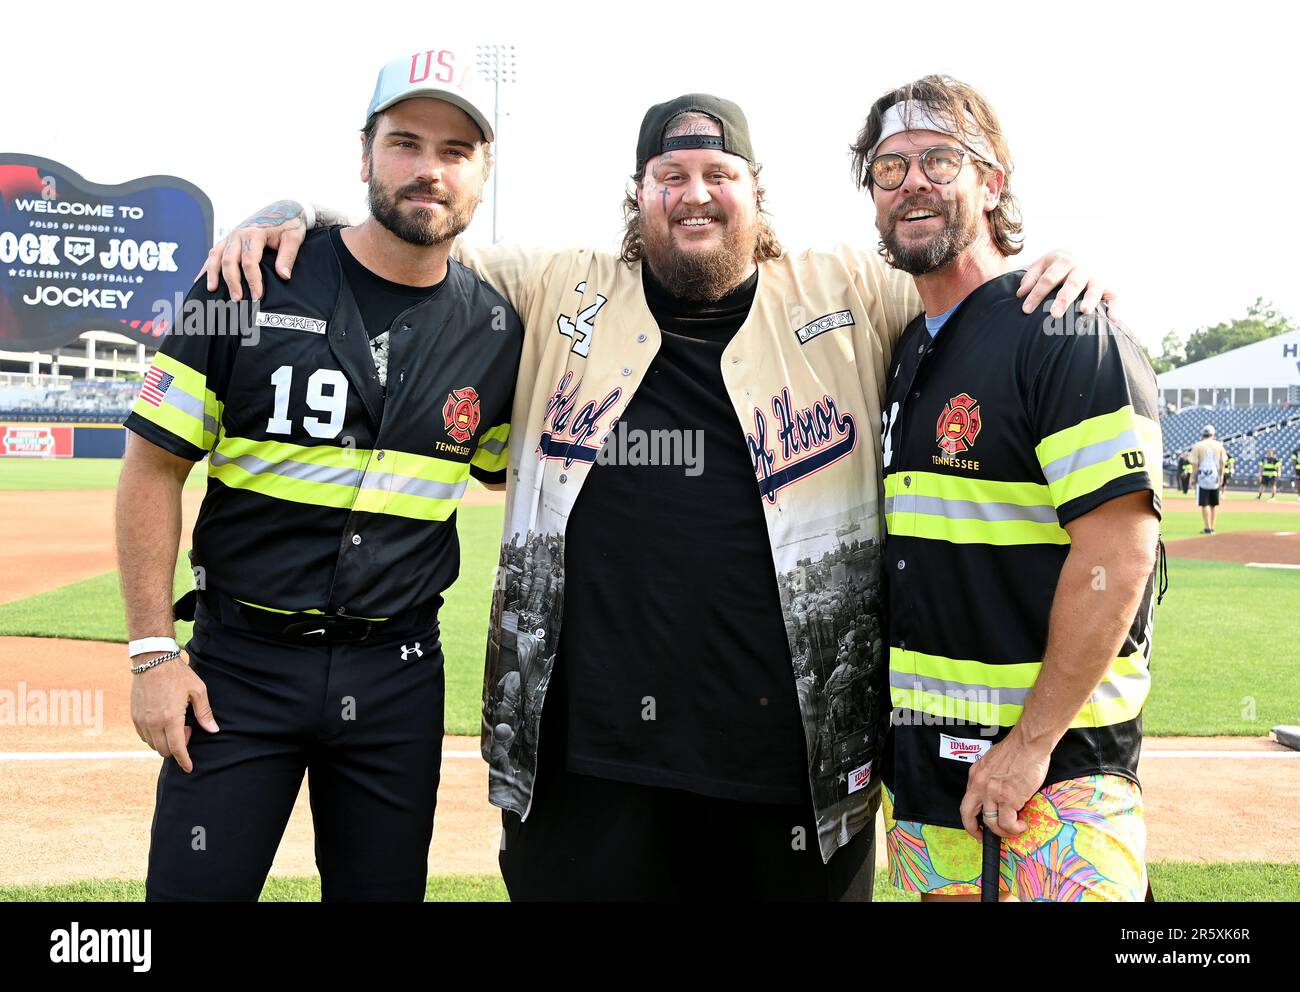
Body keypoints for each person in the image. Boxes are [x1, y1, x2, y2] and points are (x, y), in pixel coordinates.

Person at [203, 93, 1113, 901]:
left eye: (718, 173)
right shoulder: (561, 283)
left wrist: (1067, 280)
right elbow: (416, 227)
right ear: (638, 194)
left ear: (756, 191)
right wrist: (291, 213)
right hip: (582, 767)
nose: (694, 193)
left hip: (792, 768)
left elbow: (956, 260)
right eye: (669, 174)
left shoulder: (846, 289)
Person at [117, 49, 522, 901]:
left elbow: (508, 474)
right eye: (406, 142)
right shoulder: (251, 278)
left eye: (455, 152)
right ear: (365, 153)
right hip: (238, 671)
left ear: (484, 173)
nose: (428, 170)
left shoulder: (496, 329)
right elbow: (153, 466)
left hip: (397, 675)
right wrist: (154, 652)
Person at [854, 75, 1160, 902]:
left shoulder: (1065, 331)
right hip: (926, 782)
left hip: (1055, 782)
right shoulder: (901, 349)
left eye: (939, 158)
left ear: (992, 182)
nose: (912, 181)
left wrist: (1027, 745)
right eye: (889, 168)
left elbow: (1120, 553)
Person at [1190, 424, 1228, 533]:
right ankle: (1212, 527)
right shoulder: (1219, 445)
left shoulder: (1198, 445)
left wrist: (1193, 477)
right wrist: (1221, 476)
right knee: (1214, 504)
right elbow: (1223, 462)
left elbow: (1195, 464)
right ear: (1213, 435)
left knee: (1205, 503)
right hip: (1215, 476)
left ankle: (1207, 527)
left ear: (1203, 434)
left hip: (1203, 476)